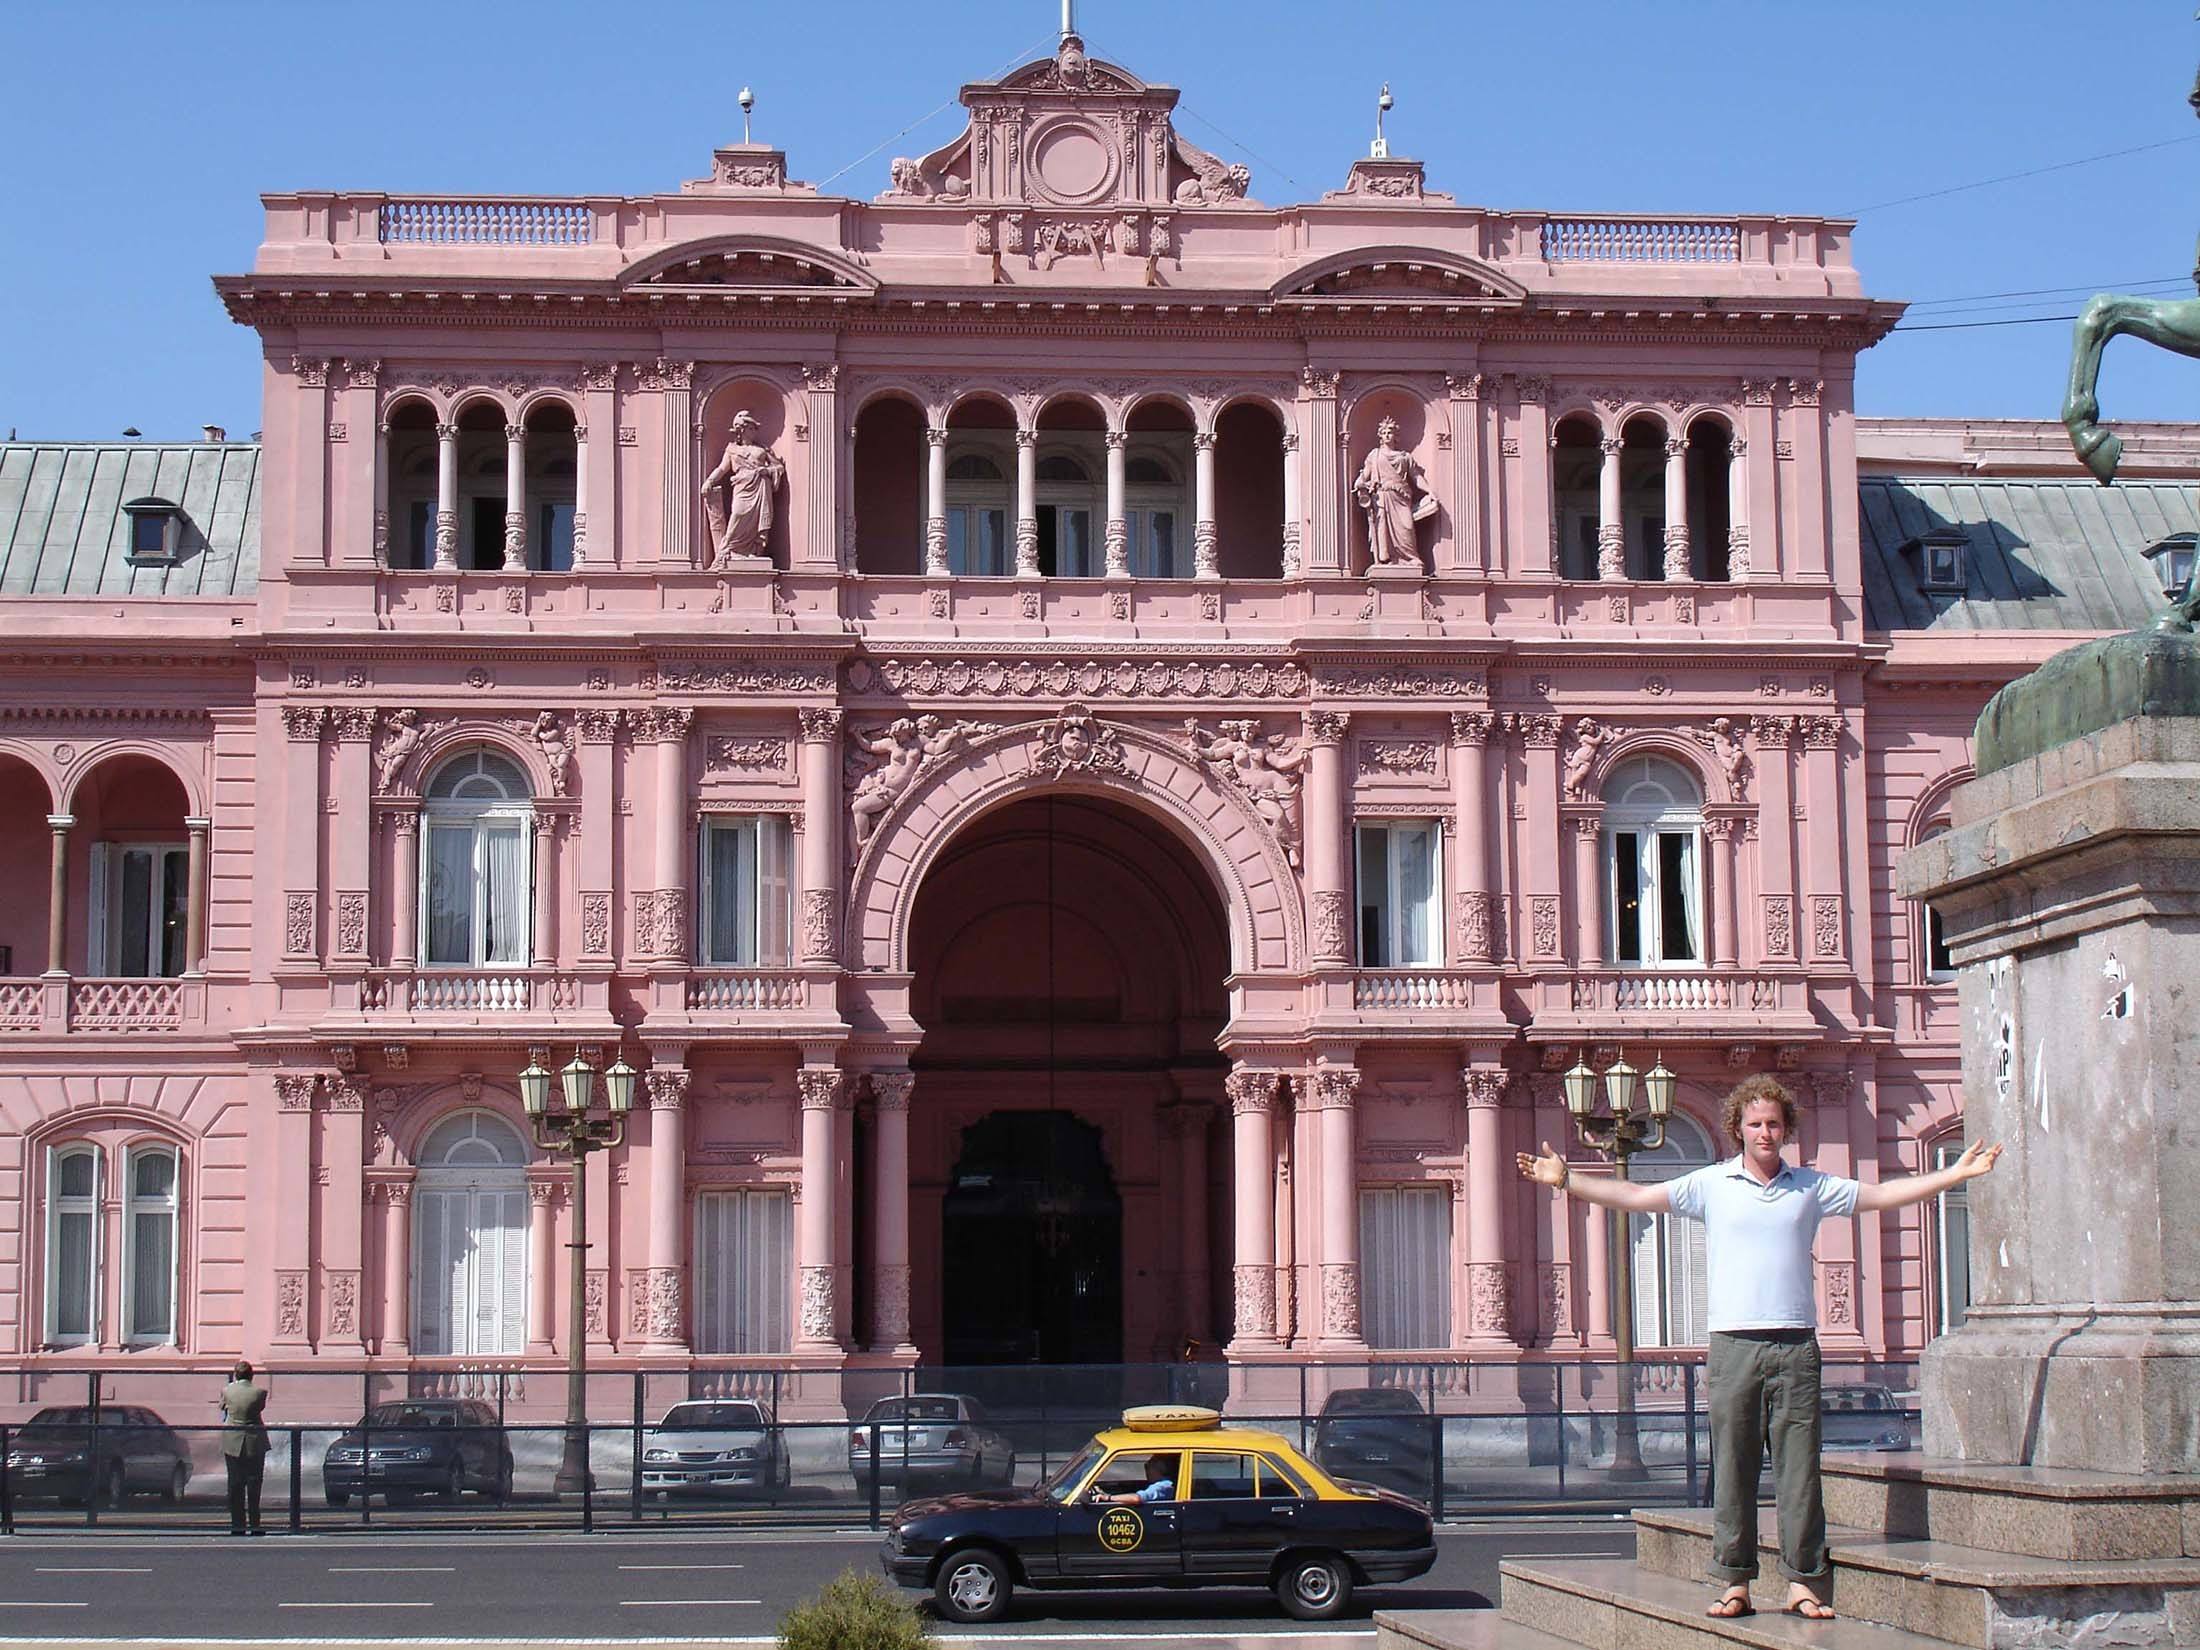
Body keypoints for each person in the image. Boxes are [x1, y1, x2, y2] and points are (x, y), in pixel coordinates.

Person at [1516, 1073, 2000, 1621]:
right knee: (1734, 1467)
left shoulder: (1811, 1187)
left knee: (1799, 1472)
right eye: (1755, 1123)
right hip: (1733, 1345)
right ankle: (1733, 1580)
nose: (1765, 1132)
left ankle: (1803, 1581)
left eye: (1773, 1123)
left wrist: (1952, 1174)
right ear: (1738, 1129)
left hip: (1795, 1345)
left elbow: (1883, 1195)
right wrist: (1567, 1180)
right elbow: (1632, 1195)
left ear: (1786, 1127)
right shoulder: (1711, 1184)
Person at [219, 1360, 271, 1536]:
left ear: (236, 1375)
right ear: (251, 1375)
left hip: (233, 1440)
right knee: (254, 1483)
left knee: (235, 1484)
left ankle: (237, 1525)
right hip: (254, 1440)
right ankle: (255, 1524)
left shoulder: (227, 1390)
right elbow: (259, 1409)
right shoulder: (260, 1392)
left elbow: (222, 1406)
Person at [1093, 1452, 1177, 1506]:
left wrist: (1108, 1498)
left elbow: (1137, 1498)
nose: (1146, 1468)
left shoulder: (1163, 1486)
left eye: (1148, 1465)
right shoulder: (1161, 1484)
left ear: (1161, 1468)